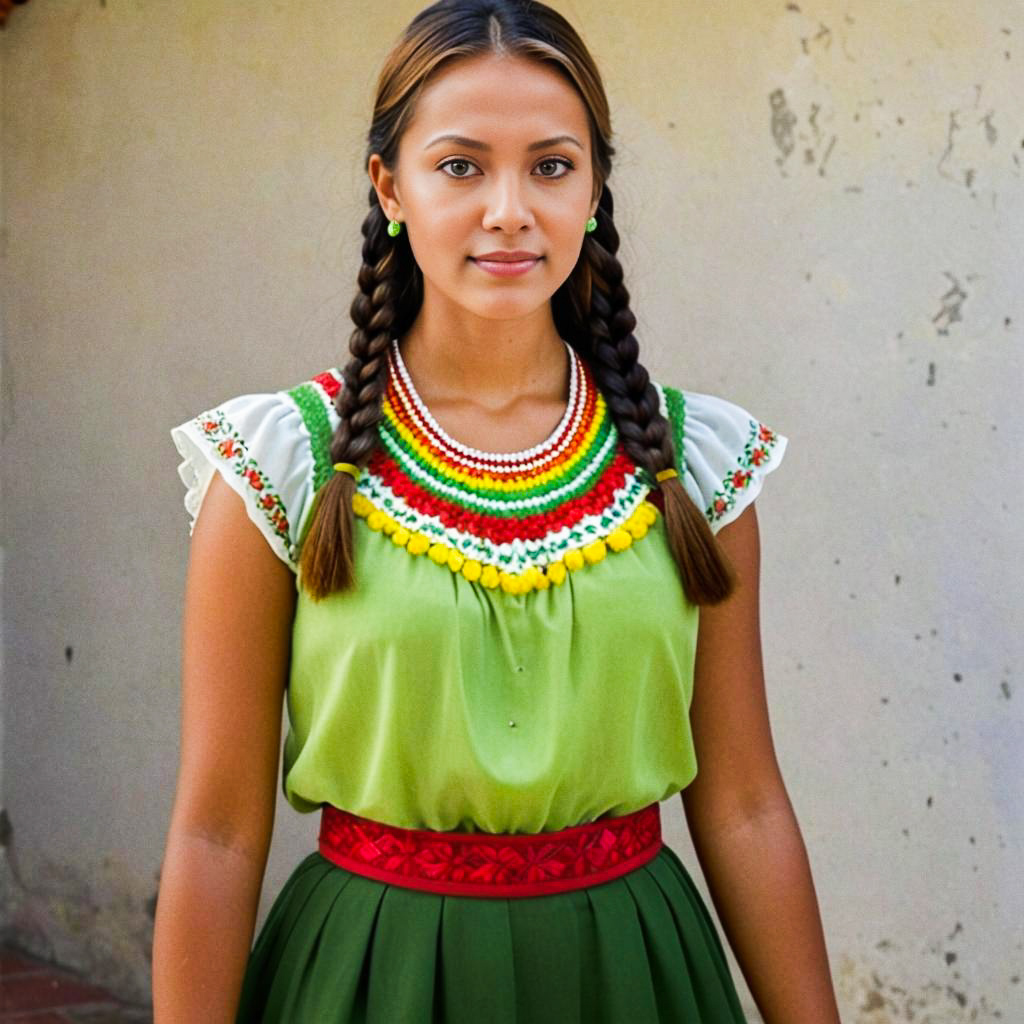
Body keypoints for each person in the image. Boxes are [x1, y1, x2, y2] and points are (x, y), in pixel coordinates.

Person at [152, 2, 843, 1021]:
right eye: (461, 166)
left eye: (552, 166)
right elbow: (215, 829)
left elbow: (741, 804)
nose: (510, 209)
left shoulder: (695, 467)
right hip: (368, 976)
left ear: (596, 189)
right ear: (390, 185)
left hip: (634, 975)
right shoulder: (280, 465)